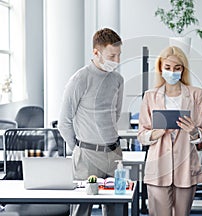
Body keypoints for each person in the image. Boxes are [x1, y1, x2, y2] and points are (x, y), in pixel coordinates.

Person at [58, 28, 123, 216]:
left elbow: (115, 115)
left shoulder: (118, 79)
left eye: (119, 55)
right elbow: (64, 122)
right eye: (112, 55)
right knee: (81, 210)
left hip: (113, 153)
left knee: (115, 209)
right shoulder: (80, 79)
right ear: (96, 53)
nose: (117, 61)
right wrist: (79, 147)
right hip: (86, 155)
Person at [137, 46, 202, 216]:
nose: (172, 72)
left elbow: (201, 135)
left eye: (177, 68)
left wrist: (193, 131)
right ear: (160, 68)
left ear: (183, 70)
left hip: (186, 166)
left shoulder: (196, 94)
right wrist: (155, 133)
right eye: (167, 68)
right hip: (158, 166)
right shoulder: (150, 96)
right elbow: (141, 135)